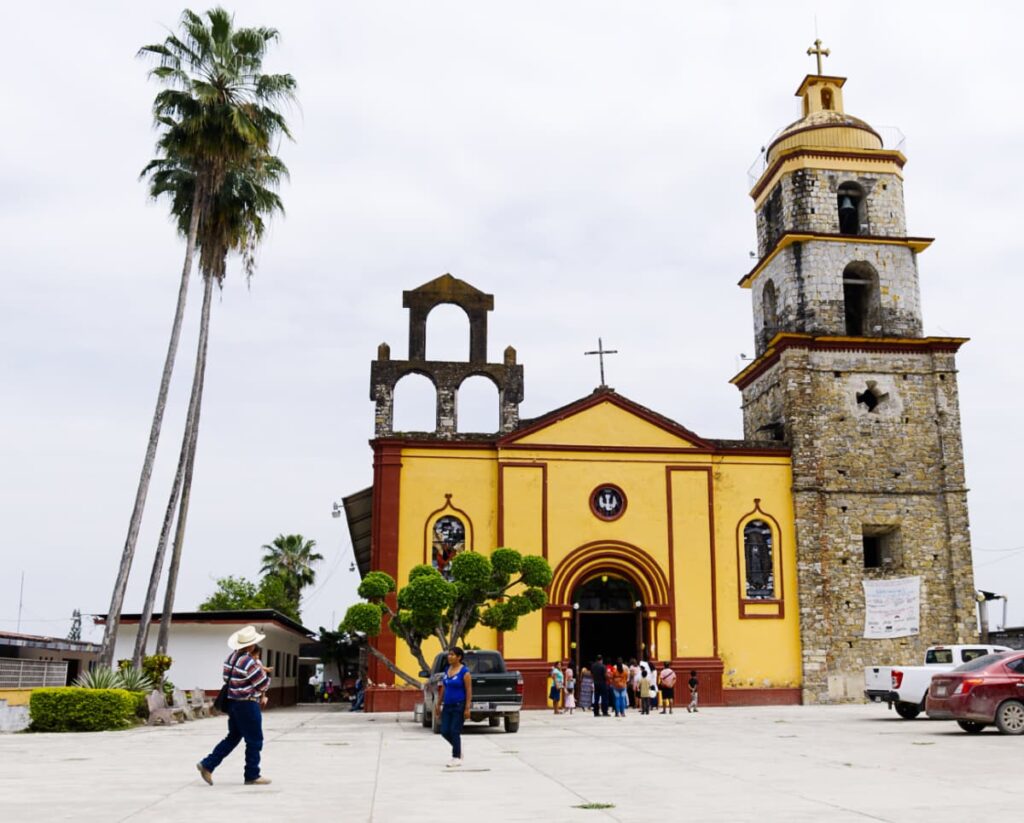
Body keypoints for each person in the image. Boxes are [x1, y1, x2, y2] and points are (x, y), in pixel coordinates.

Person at [196, 625, 272, 786]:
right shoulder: (250, 662)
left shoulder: (230, 658)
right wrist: (267, 675)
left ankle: (208, 764)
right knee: (255, 740)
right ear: (251, 645)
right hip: (247, 704)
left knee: (233, 737)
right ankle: (252, 774)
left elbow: (226, 679)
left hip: (233, 703)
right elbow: (262, 685)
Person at [434, 646, 472, 767]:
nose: (449, 657)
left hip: (459, 705)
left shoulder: (464, 672)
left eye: (452, 655)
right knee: (444, 731)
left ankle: (456, 757)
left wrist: (467, 708)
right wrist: (438, 703)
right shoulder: (447, 670)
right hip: (447, 705)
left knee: (454, 731)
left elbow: (469, 690)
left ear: (459, 657)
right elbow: (444, 688)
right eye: (449, 654)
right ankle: (458, 748)